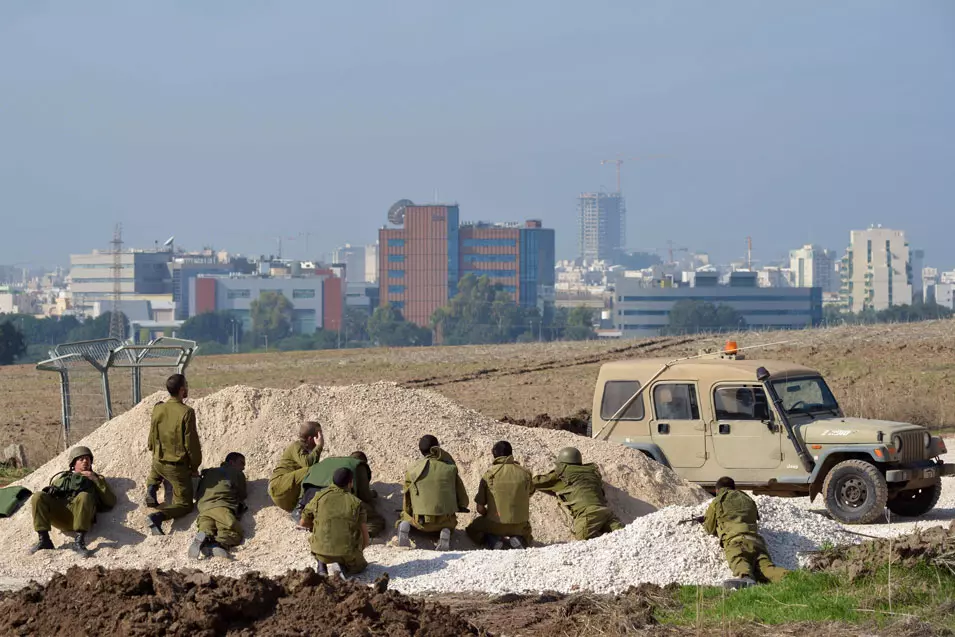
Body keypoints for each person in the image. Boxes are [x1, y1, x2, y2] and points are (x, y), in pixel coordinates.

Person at [29, 446, 117, 557]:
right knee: (38, 496)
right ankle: (44, 540)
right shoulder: (62, 478)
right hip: (61, 516)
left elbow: (111, 501)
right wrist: (52, 492)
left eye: (87, 459)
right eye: (81, 459)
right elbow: (47, 498)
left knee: (84, 496)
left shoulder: (97, 479)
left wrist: (95, 479)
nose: (85, 461)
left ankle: (79, 542)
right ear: (73, 463)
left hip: (82, 517)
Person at [703, 476, 789, 587]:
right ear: (733, 487)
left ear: (717, 490)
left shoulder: (718, 501)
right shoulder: (748, 499)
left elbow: (709, 528)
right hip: (757, 542)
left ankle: (746, 579)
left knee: (739, 561)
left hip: (736, 541)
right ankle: (792, 577)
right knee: (767, 568)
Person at [145, 373, 202, 536]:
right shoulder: (187, 412)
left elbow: (152, 435)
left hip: (157, 460)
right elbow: (191, 444)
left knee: (157, 468)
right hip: (175, 467)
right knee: (185, 504)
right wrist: (194, 466)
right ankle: (158, 517)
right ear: (182, 390)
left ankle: (151, 487)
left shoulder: (158, 408)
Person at [533, 447, 623, 540]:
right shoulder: (591, 471)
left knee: (582, 543)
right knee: (625, 536)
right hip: (605, 511)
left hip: (588, 514)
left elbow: (535, 482)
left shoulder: (562, 473)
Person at [397, 435, 468, 551]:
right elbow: (464, 500)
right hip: (444, 520)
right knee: (450, 524)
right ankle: (444, 532)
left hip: (419, 521)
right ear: (437, 447)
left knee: (404, 517)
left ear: (421, 451)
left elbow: (407, 499)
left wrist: (408, 513)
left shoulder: (413, 469)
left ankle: (406, 526)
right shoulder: (450, 468)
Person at [293, 451, 385, 536]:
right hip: (332, 503)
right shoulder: (358, 465)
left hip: (306, 502)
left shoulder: (328, 461)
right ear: (363, 461)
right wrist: (373, 494)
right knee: (376, 521)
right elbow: (365, 496)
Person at [300, 467, 369, 578]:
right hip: (346, 554)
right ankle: (342, 565)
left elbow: (303, 522)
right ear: (350, 483)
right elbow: (366, 540)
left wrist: (316, 526)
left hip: (320, 551)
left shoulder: (319, 497)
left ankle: (321, 566)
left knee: (319, 525)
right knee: (361, 566)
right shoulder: (356, 502)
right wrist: (359, 549)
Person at [466, 440, 534, 549]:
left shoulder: (489, 474)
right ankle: (519, 540)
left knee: (473, 528)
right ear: (511, 453)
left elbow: (480, 508)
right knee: (527, 532)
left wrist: (489, 515)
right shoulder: (525, 473)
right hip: (519, 525)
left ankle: (493, 541)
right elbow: (529, 493)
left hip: (495, 524)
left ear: (495, 455)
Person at [188, 452, 248, 560]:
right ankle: (219, 544)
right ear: (231, 462)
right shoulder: (236, 472)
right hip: (221, 506)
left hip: (203, 508)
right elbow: (242, 494)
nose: (243, 467)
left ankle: (205, 537)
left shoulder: (208, 472)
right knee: (232, 532)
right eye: (241, 463)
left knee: (206, 526)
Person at [269, 421, 324, 514]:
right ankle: (299, 509)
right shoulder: (297, 446)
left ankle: (302, 508)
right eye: (318, 435)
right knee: (313, 470)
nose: (320, 437)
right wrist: (319, 446)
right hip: (278, 486)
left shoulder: (307, 450)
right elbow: (308, 465)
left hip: (288, 498)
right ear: (311, 438)